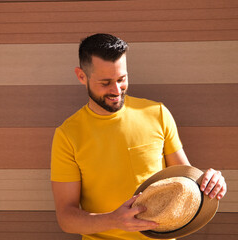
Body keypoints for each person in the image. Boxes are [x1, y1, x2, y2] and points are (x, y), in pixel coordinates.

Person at [50, 33, 227, 240]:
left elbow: (186, 181)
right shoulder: (67, 135)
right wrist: (113, 220)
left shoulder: (158, 113)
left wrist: (210, 181)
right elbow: (66, 217)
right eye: (105, 82)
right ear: (81, 76)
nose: (116, 90)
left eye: (121, 79)